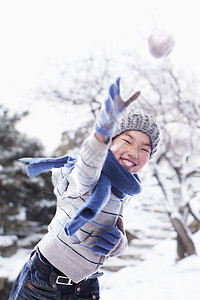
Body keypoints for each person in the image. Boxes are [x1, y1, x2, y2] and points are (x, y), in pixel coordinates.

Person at [9, 77, 160, 300]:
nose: (134, 152)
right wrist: (101, 133)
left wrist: (118, 243)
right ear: (111, 142)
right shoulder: (88, 173)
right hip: (43, 281)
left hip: (85, 286)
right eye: (127, 141)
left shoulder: (125, 188)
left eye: (145, 149)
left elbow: (110, 224)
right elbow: (88, 163)